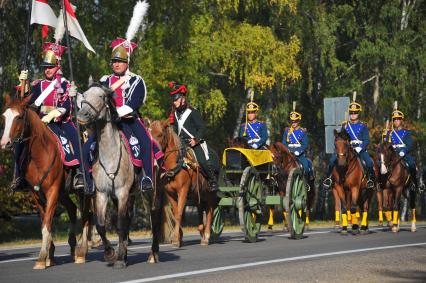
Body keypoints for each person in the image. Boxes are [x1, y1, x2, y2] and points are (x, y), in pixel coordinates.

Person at [87, 37, 163, 192]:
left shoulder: (136, 80)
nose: (116, 64)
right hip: (107, 123)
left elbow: (136, 101)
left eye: (120, 61)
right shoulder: (104, 80)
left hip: (129, 121)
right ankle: (87, 180)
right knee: (87, 146)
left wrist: (118, 112)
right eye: (114, 61)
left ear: (127, 62)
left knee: (146, 142)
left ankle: (147, 178)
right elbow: (95, 98)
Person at [11, 42, 85, 191]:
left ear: (58, 66)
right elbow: (27, 101)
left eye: (50, 67)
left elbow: (68, 105)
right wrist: (23, 85)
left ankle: (80, 174)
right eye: (45, 67)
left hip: (61, 122)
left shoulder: (65, 84)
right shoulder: (39, 85)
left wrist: (55, 113)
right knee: (19, 141)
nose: (47, 70)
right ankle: (19, 176)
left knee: (76, 139)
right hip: (41, 122)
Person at [169, 81, 218, 191]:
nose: (174, 102)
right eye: (173, 100)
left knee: (202, 160)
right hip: (181, 143)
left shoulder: (192, 112)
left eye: (176, 99)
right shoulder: (175, 113)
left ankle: (212, 180)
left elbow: (202, 127)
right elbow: (175, 131)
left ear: (183, 99)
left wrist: (196, 139)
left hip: (194, 143)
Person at [323, 101, 375, 189]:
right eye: (351, 113)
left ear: (358, 113)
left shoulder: (363, 126)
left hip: (359, 149)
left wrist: (360, 148)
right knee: (332, 160)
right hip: (346, 149)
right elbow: (340, 138)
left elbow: (366, 140)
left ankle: (370, 180)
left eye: (355, 113)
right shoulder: (345, 125)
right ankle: (328, 179)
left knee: (369, 162)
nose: (353, 114)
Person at [385, 107, 420, 190]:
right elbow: (386, 144)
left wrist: (403, 151)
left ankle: (413, 183)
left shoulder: (406, 132)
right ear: (393, 121)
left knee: (411, 164)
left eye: (398, 119)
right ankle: (380, 182)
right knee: (380, 164)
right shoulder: (390, 133)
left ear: (401, 121)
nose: (396, 121)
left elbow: (410, 145)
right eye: (395, 120)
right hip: (392, 153)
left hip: (403, 153)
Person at [281, 109, 313, 180]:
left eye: (295, 121)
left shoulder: (303, 131)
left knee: (306, 166)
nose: (293, 123)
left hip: (299, 154)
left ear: (299, 121)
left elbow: (305, 144)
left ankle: (306, 182)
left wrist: (298, 151)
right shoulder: (287, 131)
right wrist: (288, 150)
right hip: (288, 153)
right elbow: (284, 143)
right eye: (292, 121)